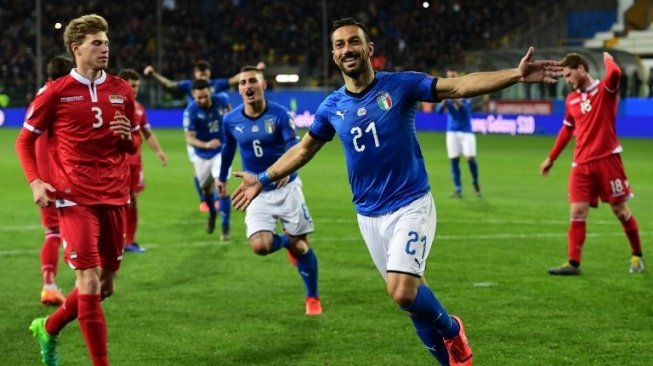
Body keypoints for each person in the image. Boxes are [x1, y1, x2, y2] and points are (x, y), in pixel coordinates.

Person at [231, 18, 562, 366]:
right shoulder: (331, 107)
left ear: (369, 49)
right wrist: (263, 179)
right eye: (340, 45)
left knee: (401, 290)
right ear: (333, 54)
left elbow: (459, 86)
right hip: (368, 216)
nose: (348, 50)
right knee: (413, 301)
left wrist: (515, 75)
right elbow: (303, 151)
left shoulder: (401, 85)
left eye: (354, 42)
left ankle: (452, 329)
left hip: (410, 204)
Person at [16, 14, 142, 366]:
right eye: (97, 43)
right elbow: (24, 140)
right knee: (86, 281)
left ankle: (49, 327)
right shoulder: (55, 92)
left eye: (106, 42)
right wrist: (36, 181)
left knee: (104, 286)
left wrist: (125, 139)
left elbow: (132, 143)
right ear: (77, 49)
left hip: (115, 194)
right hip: (74, 197)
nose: (105, 48)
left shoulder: (121, 89)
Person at [217, 66, 321, 315]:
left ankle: (312, 297)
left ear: (263, 86)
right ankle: (287, 241)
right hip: (256, 192)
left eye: (253, 81)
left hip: (287, 188)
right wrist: (221, 177)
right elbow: (227, 148)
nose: (248, 86)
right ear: (239, 89)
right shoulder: (230, 120)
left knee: (303, 247)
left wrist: (284, 170)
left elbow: (295, 147)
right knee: (261, 246)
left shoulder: (281, 115)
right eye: (243, 82)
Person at [540, 52, 644, 276]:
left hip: (608, 159)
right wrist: (551, 158)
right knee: (577, 211)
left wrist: (607, 58)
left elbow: (615, 71)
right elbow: (567, 130)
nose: (567, 81)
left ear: (581, 68)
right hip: (581, 164)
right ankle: (573, 263)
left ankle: (637, 255)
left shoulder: (605, 90)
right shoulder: (571, 100)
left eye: (569, 75)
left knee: (620, 210)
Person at [143, 60, 264, 213]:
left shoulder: (216, 85)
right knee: (200, 173)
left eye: (206, 75)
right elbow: (170, 85)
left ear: (209, 74)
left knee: (217, 172)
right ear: (195, 74)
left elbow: (235, 79)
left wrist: (255, 71)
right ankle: (204, 200)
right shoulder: (189, 86)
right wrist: (153, 75)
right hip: (195, 133)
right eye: (201, 74)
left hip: (215, 133)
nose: (204, 77)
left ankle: (216, 199)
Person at [34, 55, 74, 306]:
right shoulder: (56, 96)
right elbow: (40, 142)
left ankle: (49, 284)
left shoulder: (44, 94)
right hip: (62, 175)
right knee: (71, 229)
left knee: (54, 233)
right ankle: (84, 280)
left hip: (49, 175)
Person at [118, 68, 169, 253]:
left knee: (132, 201)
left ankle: (129, 241)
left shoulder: (138, 108)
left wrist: (159, 151)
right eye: (132, 85)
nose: (135, 89)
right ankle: (117, 239)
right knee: (117, 202)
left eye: (137, 86)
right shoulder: (110, 104)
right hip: (116, 163)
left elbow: (147, 133)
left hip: (135, 163)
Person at [183, 79, 232, 239]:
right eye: (199, 98)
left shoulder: (222, 100)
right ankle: (212, 213)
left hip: (221, 151)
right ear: (193, 95)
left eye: (205, 96)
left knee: (222, 186)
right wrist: (206, 144)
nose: (202, 100)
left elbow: (230, 115)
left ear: (210, 92)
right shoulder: (190, 111)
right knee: (205, 189)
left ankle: (225, 226)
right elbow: (189, 138)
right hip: (202, 155)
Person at [435, 68, 480, 198]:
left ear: (458, 76)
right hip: (452, 131)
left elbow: (465, 112)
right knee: (454, 160)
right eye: (448, 76)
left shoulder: (466, 93)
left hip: (466, 131)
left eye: (453, 76)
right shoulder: (446, 97)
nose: (450, 79)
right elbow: (438, 112)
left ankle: (475, 181)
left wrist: (453, 97)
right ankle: (458, 189)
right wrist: (443, 101)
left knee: (470, 159)